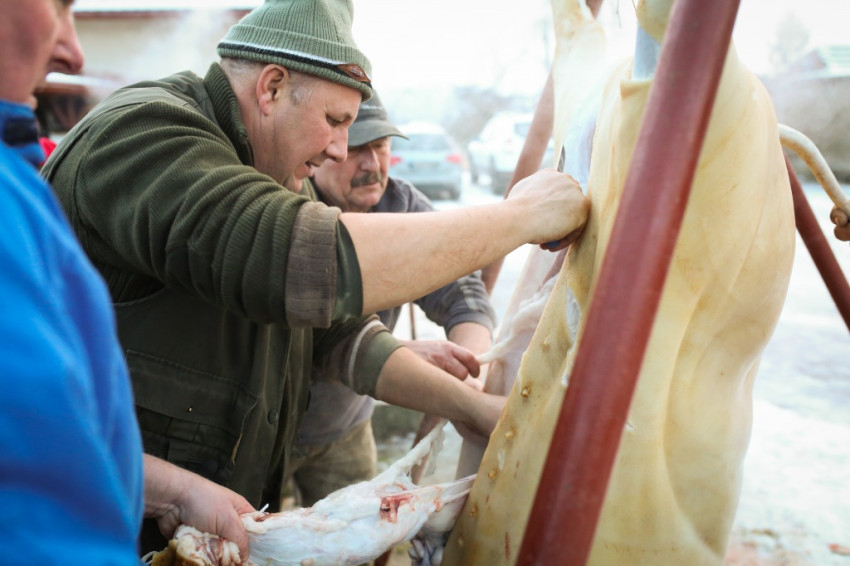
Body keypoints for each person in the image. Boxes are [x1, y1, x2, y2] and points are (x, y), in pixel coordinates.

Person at [42, 0, 588, 553]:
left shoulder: (279, 175)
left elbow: (336, 332)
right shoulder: (146, 132)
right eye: (335, 121)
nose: (339, 150)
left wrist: (469, 408)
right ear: (272, 88)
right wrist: (519, 218)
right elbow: (293, 259)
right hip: (86, 528)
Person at [0, 0, 255, 561]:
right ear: (271, 90)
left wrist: (177, 492)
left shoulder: (17, 185)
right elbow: (34, 498)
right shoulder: (138, 134)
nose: (73, 52)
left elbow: (61, 434)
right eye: (56, 6)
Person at [286, 91, 497, 505]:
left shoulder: (401, 207)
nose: (372, 164)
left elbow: (462, 289)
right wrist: (402, 355)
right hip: (269, 428)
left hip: (345, 428)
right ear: (322, 150)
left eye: (381, 146)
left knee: (355, 533)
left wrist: (473, 368)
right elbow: (297, 338)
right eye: (356, 150)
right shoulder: (287, 209)